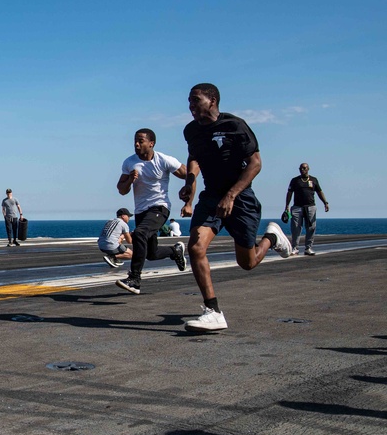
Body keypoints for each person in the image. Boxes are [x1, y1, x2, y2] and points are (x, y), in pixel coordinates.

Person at [179, 83, 292, 332]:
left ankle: (271, 237)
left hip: (240, 197)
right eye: (189, 101)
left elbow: (255, 163)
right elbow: (194, 158)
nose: (191, 106)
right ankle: (213, 311)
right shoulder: (191, 131)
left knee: (248, 263)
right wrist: (190, 183)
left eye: (195, 100)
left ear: (213, 100)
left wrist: (231, 195)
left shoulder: (235, 126)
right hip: (211, 196)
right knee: (196, 247)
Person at [114, 128, 189, 294]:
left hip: (160, 207)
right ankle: (174, 251)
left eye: (141, 141)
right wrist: (130, 180)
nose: (136, 144)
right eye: (135, 140)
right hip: (141, 211)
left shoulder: (164, 160)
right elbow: (121, 189)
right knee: (151, 254)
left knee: (139, 233)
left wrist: (188, 197)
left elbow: (188, 174)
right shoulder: (129, 162)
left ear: (151, 143)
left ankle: (134, 279)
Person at [284, 163, 330, 256]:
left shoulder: (314, 180)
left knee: (311, 227)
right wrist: (287, 206)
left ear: (308, 169)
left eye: (304, 168)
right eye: (301, 168)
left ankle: (308, 248)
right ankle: (295, 248)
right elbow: (289, 193)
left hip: (310, 207)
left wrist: (325, 202)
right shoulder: (295, 180)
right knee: (296, 228)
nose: (302, 170)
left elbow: (319, 192)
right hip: (297, 207)